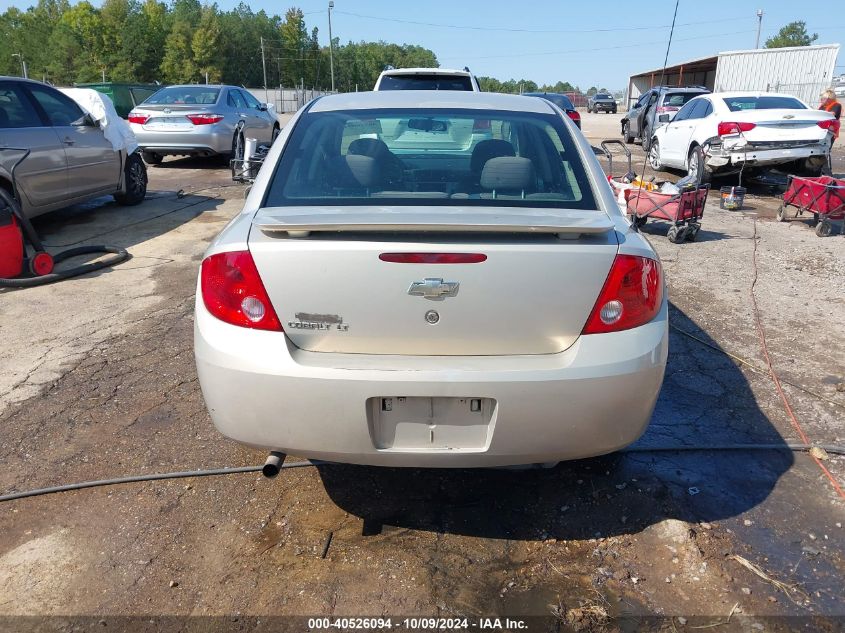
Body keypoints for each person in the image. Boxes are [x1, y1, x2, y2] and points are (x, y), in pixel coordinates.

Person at [819, 89, 841, 175]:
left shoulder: (836, 105)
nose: (821, 100)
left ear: (829, 98)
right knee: (819, 152)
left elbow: (831, 114)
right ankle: (822, 173)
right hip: (820, 132)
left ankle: (828, 174)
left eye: (823, 98)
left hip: (830, 133)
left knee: (823, 153)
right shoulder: (822, 106)